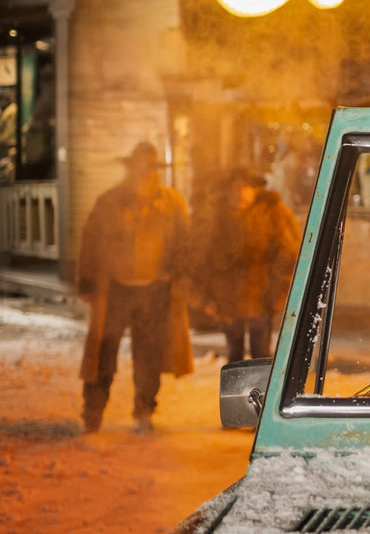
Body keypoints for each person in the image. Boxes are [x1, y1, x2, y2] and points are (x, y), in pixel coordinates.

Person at [76, 141, 194, 432]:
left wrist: (174, 270)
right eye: (142, 168)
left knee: (149, 355)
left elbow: (186, 244)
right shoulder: (110, 201)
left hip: (154, 292)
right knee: (103, 354)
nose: (147, 174)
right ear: (131, 169)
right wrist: (87, 280)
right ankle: (93, 412)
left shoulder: (171, 203)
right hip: (115, 289)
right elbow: (90, 241)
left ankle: (144, 411)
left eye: (152, 169)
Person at [202, 169, 300, 363]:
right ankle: (237, 392)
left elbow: (287, 255)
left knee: (261, 353)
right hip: (228, 297)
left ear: (255, 190)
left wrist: (281, 293)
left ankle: (263, 393)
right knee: (234, 353)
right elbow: (204, 258)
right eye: (235, 187)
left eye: (245, 187)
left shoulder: (273, 213)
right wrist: (207, 297)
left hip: (261, 295)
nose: (239, 192)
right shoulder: (216, 216)